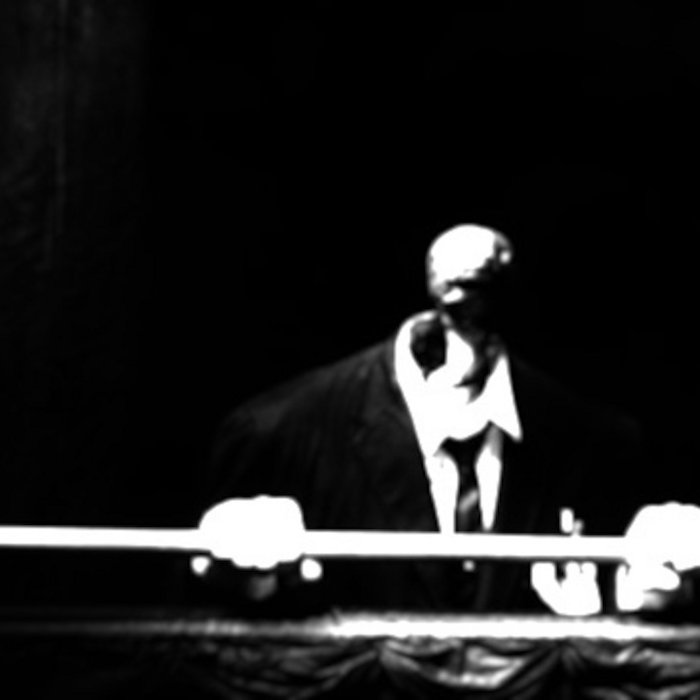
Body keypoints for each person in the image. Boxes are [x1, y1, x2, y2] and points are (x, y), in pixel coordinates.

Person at [191, 223, 682, 618]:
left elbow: (638, 614)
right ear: (433, 289)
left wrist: (664, 584)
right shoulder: (280, 436)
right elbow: (192, 633)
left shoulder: (600, 446)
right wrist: (241, 577)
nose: (468, 315)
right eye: (459, 292)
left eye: (483, 293)